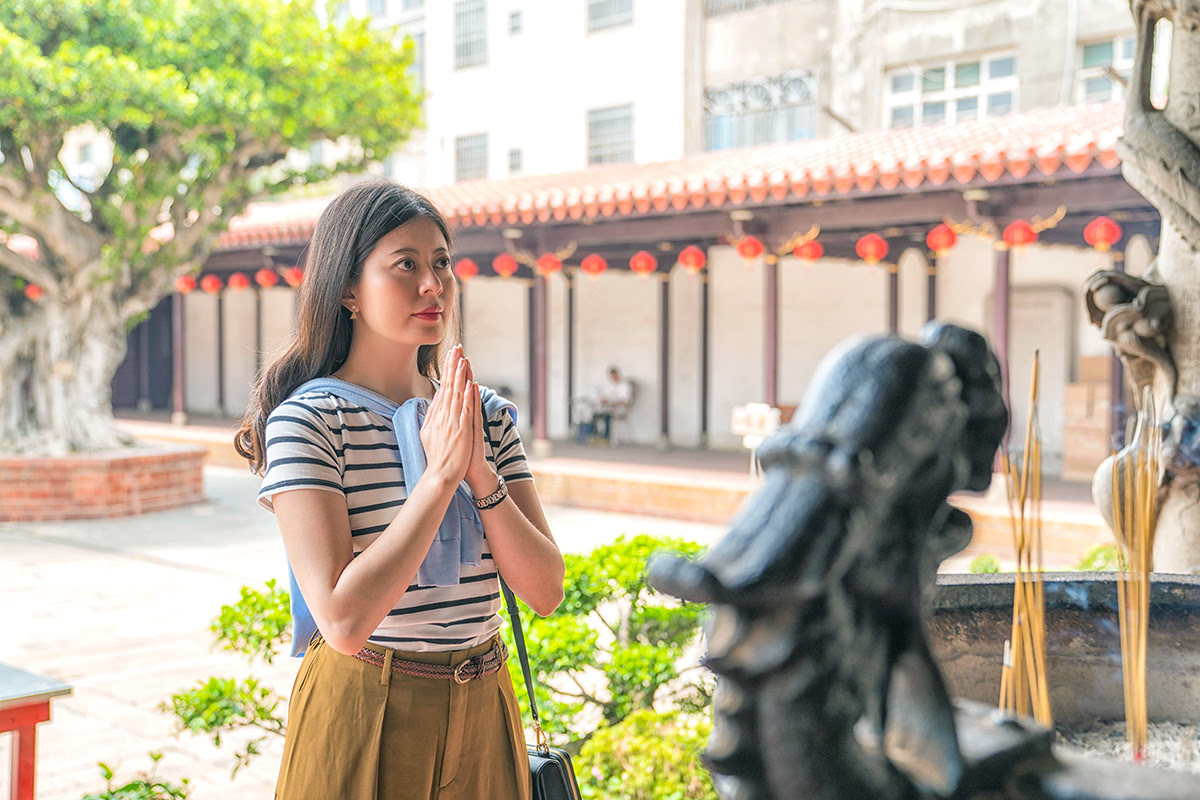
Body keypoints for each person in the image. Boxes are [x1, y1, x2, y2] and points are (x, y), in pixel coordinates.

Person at [234, 179, 565, 800]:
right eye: (405, 264)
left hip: (485, 698)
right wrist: (439, 478)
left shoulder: (483, 414)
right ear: (348, 290)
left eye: (442, 263)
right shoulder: (309, 420)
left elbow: (545, 590)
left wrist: (478, 473)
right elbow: (343, 619)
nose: (433, 284)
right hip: (363, 702)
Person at [592, 366, 632, 443]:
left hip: (620, 409)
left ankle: (606, 437)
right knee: (595, 415)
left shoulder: (624, 386)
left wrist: (614, 402)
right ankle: (597, 436)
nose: (612, 378)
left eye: (613, 376)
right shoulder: (610, 386)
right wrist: (604, 399)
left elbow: (625, 401)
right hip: (608, 407)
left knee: (607, 415)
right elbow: (606, 396)